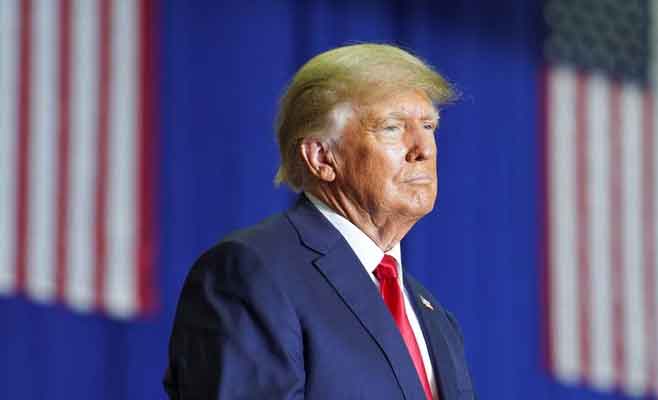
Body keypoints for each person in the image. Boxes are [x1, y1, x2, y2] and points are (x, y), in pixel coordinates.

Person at [164, 43, 476, 400]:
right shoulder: (252, 274)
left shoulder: (433, 317)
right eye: (392, 127)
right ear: (321, 156)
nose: (424, 148)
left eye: (428, 125)